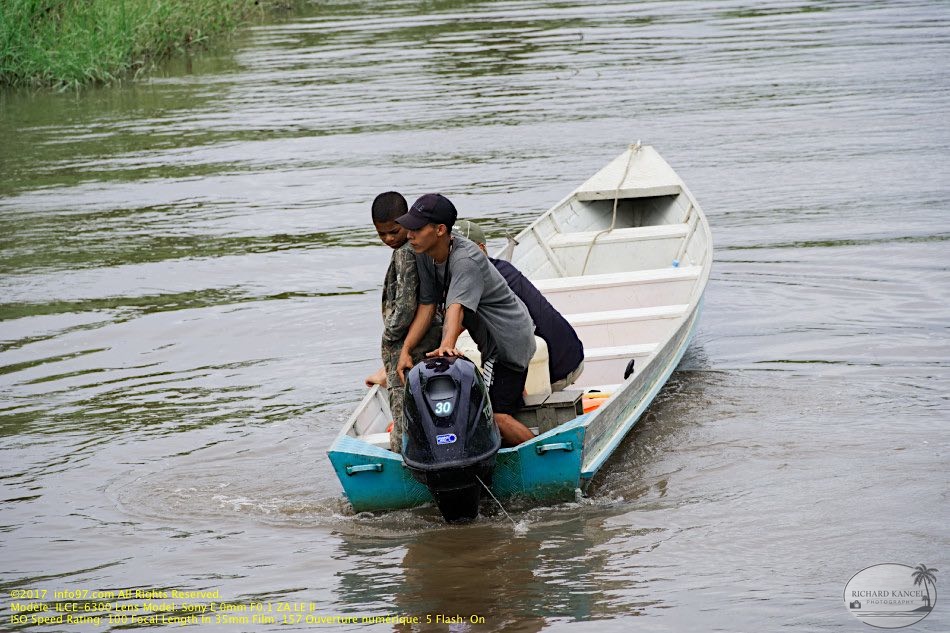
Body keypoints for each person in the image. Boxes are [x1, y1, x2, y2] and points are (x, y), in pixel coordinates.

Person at [394, 194, 537, 447]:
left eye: (416, 228)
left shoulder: (465, 260)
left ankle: (542, 457)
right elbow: (427, 306)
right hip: (490, 341)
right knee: (497, 400)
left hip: (508, 343)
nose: (409, 235)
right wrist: (405, 350)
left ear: (440, 230)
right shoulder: (424, 254)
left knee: (495, 415)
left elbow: (455, 308)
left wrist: (446, 345)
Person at [455, 219, 585, 391]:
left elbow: (459, 320)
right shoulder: (502, 268)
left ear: (480, 249)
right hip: (572, 353)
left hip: (556, 369)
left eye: (460, 251)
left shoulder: (482, 282)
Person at [364, 191, 442, 453]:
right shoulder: (418, 247)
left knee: (401, 405)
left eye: (394, 231)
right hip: (428, 336)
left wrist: (389, 335)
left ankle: (402, 459)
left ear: (406, 222)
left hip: (408, 342)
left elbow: (407, 306)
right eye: (381, 234)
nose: (388, 239)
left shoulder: (406, 253)